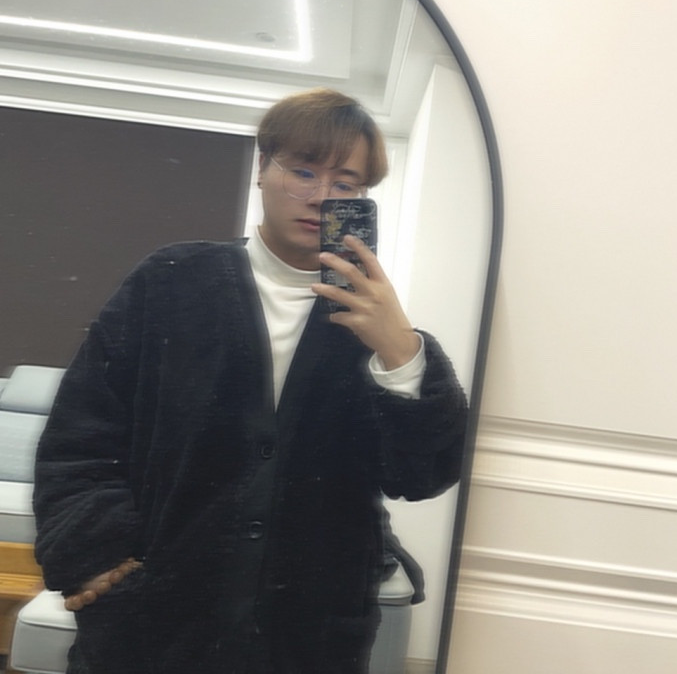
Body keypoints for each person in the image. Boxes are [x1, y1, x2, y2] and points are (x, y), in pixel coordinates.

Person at [33, 88, 467, 674]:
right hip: (154, 627)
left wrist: (401, 350)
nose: (320, 196)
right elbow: (80, 437)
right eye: (303, 171)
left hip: (308, 636)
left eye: (345, 184)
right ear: (263, 167)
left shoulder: (374, 324)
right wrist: (95, 554)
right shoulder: (170, 282)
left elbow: (422, 476)